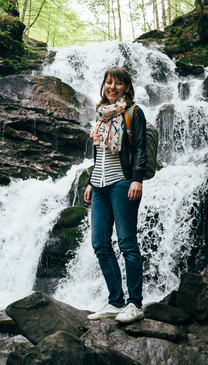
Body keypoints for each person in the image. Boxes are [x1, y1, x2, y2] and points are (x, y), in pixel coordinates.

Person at [84, 66, 146, 324]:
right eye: (109, 82)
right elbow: (98, 153)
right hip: (99, 185)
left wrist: (137, 179)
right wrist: (89, 181)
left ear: (127, 87)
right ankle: (115, 301)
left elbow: (140, 147)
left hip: (123, 183)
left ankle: (135, 304)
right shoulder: (101, 115)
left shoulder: (133, 112)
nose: (112, 87)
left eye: (118, 83)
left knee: (127, 243)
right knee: (100, 243)